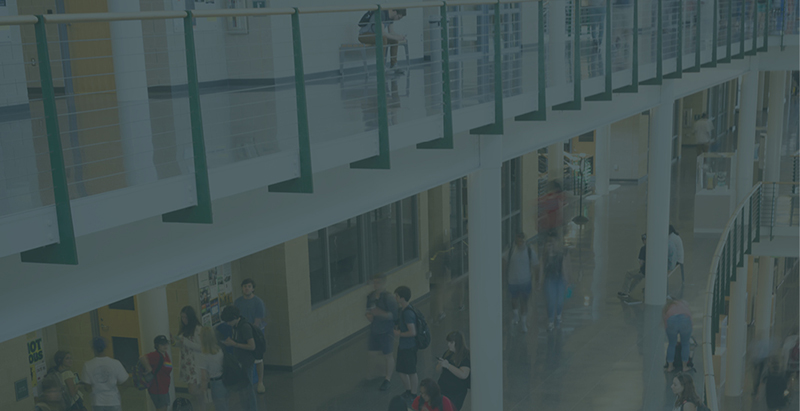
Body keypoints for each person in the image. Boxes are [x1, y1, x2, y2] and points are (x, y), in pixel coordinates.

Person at [220, 306, 258, 411]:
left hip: (246, 362)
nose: (228, 323)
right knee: (242, 390)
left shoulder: (244, 327)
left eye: (229, 321)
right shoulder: (235, 326)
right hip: (239, 362)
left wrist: (234, 344)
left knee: (248, 390)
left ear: (235, 317)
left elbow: (252, 346)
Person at [234, 278, 267, 394]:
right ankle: (246, 382)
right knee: (245, 358)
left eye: (249, 286)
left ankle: (260, 382)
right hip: (242, 334)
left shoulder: (258, 302)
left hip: (255, 333)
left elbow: (258, 321)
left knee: (258, 359)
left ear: (253, 288)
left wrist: (250, 332)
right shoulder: (237, 302)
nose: (246, 288)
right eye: (244, 286)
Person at [366, 274, 398, 391]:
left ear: (383, 283)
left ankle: (387, 378)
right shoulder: (370, 297)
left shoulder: (388, 298)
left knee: (388, 355)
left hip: (386, 330)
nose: (376, 285)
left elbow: (394, 315)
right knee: (372, 354)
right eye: (374, 282)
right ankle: (374, 374)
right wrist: (369, 315)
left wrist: (379, 313)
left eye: (378, 282)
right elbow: (368, 311)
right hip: (374, 330)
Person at [81, 337, 129, 411]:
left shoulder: (88, 365)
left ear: (93, 348)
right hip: (113, 400)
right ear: (106, 347)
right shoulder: (115, 363)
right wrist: (118, 392)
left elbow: (87, 386)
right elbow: (125, 382)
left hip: (97, 401)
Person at [503, 232, 538, 332]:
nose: (521, 243)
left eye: (522, 241)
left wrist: (537, 279)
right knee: (514, 300)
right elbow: (504, 261)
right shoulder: (511, 251)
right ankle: (516, 315)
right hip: (512, 281)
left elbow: (536, 265)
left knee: (524, 302)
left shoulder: (529, 251)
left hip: (525, 282)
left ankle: (523, 322)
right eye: (519, 241)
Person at [173, 306, 204, 410]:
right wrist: (174, 342)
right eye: (182, 317)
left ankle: (202, 403)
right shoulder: (184, 328)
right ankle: (201, 406)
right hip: (186, 362)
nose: (184, 320)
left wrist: (185, 342)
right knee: (192, 389)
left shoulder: (197, 329)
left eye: (186, 317)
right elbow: (181, 344)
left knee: (193, 390)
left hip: (195, 364)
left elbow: (201, 347)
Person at [394, 286, 418, 401]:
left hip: (409, 346)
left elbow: (412, 332)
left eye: (397, 296)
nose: (395, 298)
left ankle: (413, 393)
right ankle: (408, 390)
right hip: (404, 346)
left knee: (411, 371)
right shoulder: (404, 310)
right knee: (402, 370)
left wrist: (399, 333)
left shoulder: (407, 313)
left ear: (402, 298)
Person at [435, 331, 470, 411]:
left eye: (451, 342)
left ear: (458, 343)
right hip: (443, 388)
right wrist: (441, 364)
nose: (448, 345)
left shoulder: (465, 355)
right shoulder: (448, 353)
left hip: (456, 393)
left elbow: (463, 374)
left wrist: (448, 366)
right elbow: (438, 370)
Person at [540, 233, 568, 332]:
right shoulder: (544, 257)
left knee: (560, 300)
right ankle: (551, 321)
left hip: (559, 280)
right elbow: (542, 270)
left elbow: (564, 269)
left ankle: (559, 316)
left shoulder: (560, 256)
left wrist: (566, 281)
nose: (551, 246)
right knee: (551, 301)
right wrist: (540, 282)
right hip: (549, 280)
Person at [140, 335, 173, 411]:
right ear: (157, 345)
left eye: (166, 343)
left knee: (164, 408)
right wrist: (148, 368)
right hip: (158, 388)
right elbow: (142, 357)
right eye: (162, 344)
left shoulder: (165, 354)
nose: (165, 345)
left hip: (163, 387)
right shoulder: (156, 355)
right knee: (162, 409)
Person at [198, 326, 228, 411]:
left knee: (219, 406)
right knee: (224, 405)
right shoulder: (219, 350)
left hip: (215, 383)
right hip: (224, 381)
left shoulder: (204, 355)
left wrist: (202, 390)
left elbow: (204, 377)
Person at [663, 298, 693, 372]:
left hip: (671, 320)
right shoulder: (683, 303)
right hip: (685, 319)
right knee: (685, 344)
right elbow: (689, 314)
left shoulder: (667, 307)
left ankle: (670, 367)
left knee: (672, 344)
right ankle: (684, 366)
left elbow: (665, 322)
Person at [618, 233, 647, 299]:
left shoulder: (643, 248)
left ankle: (625, 292)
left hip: (643, 271)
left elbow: (641, 262)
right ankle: (628, 291)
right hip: (651, 272)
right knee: (636, 279)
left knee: (629, 274)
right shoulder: (653, 248)